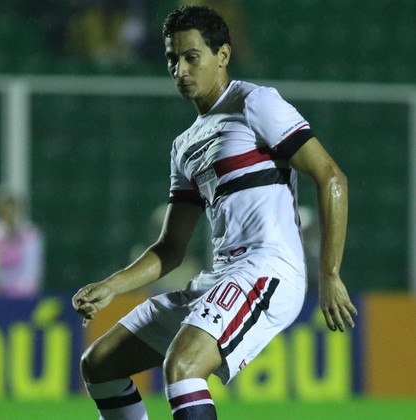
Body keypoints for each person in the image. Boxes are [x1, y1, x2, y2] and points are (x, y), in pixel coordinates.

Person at [72, 5, 357, 419]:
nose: (180, 70)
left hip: (267, 269)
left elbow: (331, 177)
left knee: (183, 366)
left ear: (222, 55)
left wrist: (330, 275)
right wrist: (114, 285)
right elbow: (170, 248)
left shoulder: (255, 103)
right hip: (219, 277)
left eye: (192, 57)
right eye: (172, 59)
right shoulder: (185, 145)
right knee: (99, 365)